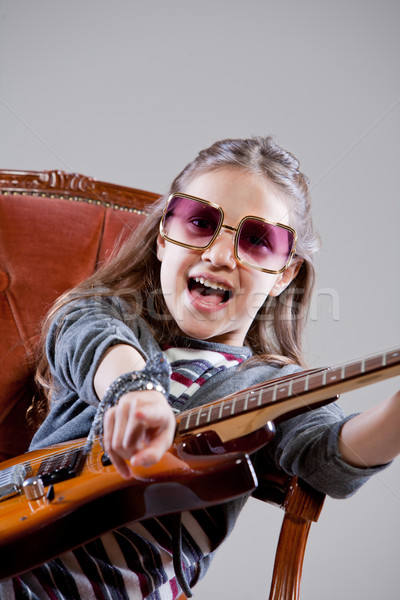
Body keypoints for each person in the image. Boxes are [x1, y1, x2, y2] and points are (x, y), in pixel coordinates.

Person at [2, 136, 399, 600]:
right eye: (200, 223)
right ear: (161, 239)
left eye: (256, 241)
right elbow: (87, 336)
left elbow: (330, 454)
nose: (219, 255)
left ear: (283, 275)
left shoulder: (275, 387)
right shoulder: (109, 317)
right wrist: (135, 391)